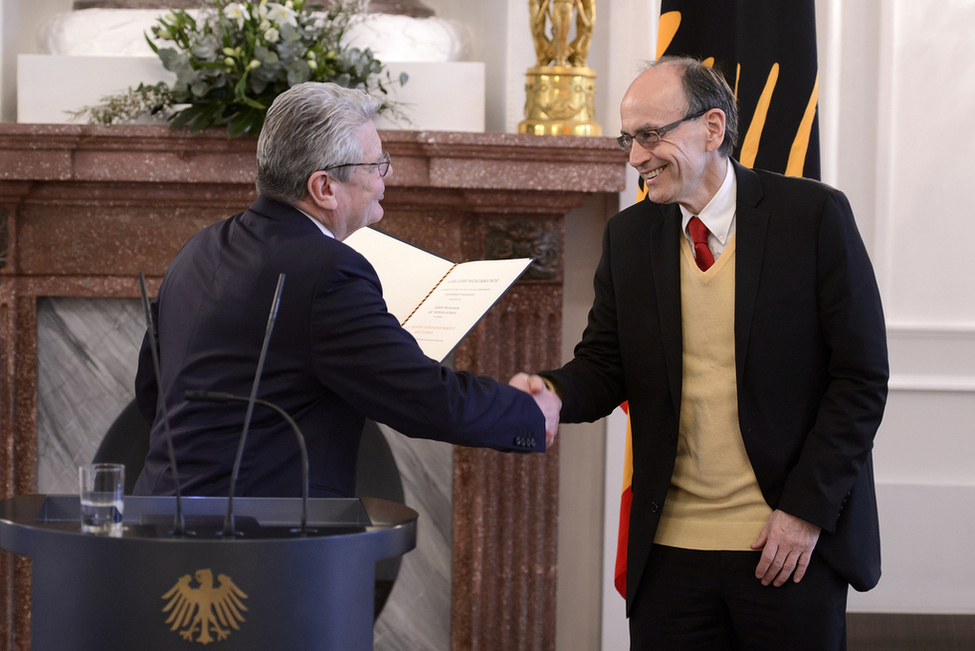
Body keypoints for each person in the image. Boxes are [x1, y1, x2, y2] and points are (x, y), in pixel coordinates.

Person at [514, 57, 888, 650]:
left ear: (712, 128)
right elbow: (606, 365)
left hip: (786, 544)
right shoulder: (630, 237)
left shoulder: (813, 218)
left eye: (650, 136)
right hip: (669, 556)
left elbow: (860, 378)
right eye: (628, 139)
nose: (635, 157)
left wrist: (804, 513)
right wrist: (553, 393)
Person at [133, 81, 561, 499]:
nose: (387, 173)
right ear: (324, 188)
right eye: (376, 164)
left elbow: (153, 389)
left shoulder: (201, 245)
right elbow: (418, 396)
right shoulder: (328, 271)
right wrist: (526, 413)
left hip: (160, 515)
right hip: (258, 539)